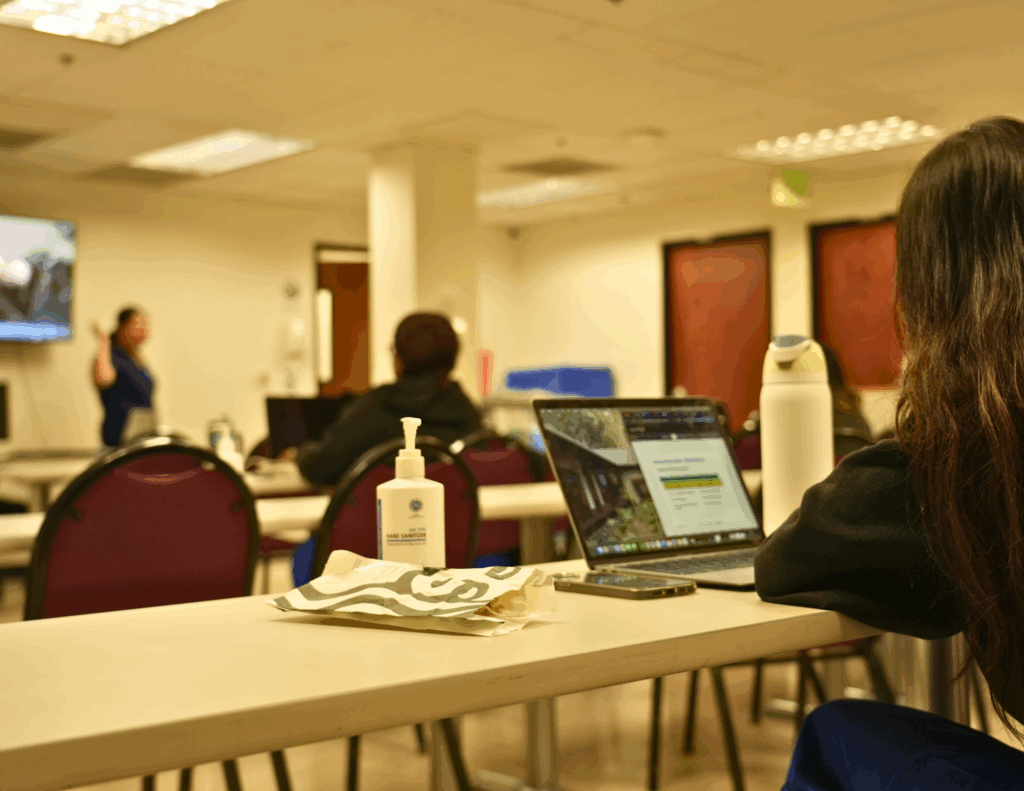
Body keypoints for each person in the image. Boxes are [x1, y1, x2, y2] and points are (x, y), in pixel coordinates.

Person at [755, 117, 1024, 789]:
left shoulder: (972, 450)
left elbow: (786, 557)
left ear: (937, 288)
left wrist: (936, 390)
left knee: (834, 731)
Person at [294, 312, 482, 486]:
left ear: (398, 358)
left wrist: (302, 452)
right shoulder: (469, 415)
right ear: (453, 360)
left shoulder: (372, 408)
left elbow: (319, 469)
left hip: (374, 521)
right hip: (453, 521)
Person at [93, 307, 154, 448]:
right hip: (120, 437)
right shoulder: (112, 356)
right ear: (122, 327)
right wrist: (104, 342)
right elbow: (103, 379)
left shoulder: (135, 358)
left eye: (146, 325)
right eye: (138, 325)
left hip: (142, 434)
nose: (144, 329)